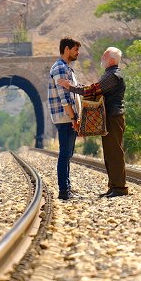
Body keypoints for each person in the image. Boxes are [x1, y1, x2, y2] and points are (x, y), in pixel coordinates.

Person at [59, 47, 128, 198]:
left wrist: (69, 86)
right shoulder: (110, 74)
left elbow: (91, 90)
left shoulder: (113, 76)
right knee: (110, 153)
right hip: (111, 117)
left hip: (114, 117)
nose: (101, 58)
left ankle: (120, 188)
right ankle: (113, 186)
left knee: (114, 152)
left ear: (110, 60)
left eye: (104, 56)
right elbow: (94, 90)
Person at [48, 37, 82, 200]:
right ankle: (63, 190)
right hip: (65, 118)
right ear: (67, 49)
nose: (78, 53)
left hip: (68, 117)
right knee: (64, 154)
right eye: (76, 50)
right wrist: (73, 118)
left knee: (67, 154)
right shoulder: (60, 68)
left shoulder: (66, 68)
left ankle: (66, 187)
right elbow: (64, 98)